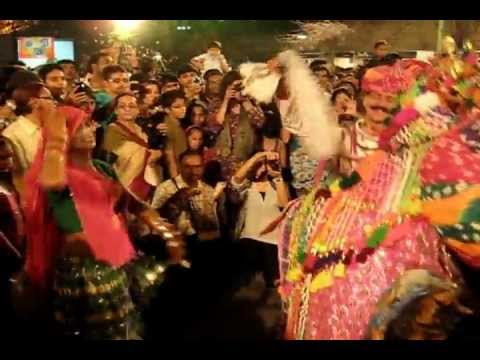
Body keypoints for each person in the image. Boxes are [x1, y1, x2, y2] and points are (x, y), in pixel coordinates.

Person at [21, 105, 186, 339]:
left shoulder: (103, 168)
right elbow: (72, 227)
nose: (90, 130)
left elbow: (136, 205)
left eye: (89, 124)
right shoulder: (59, 180)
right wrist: (56, 136)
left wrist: (166, 232)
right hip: (90, 275)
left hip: (119, 260)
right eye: (80, 128)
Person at [230, 151, 289, 294]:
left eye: (266, 165)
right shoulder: (247, 187)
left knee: (273, 285)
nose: (263, 168)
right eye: (259, 165)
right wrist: (258, 156)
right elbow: (236, 179)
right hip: (249, 238)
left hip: (272, 240)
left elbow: (284, 205)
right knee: (245, 282)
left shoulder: (276, 185)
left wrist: (278, 178)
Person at [102, 93, 164, 202]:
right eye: (122, 106)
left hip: (145, 179)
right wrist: (151, 153)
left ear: (138, 110)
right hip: (124, 180)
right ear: (116, 110)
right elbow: (124, 153)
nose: (127, 109)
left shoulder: (141, 130)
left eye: (131, 106)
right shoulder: (112, 130)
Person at [2, 82, 57, 198]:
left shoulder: (52, 129)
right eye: (49, 99)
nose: (55, 103)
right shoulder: (12, 135)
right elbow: (18, 180)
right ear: (34, 102)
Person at [214, 70, 265, 179]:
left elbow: (259, 122)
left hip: (245, 158)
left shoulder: (251, 102)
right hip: (222, 159)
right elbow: (217, 124)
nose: (238, 90)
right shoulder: (218, 102)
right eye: (234, 87)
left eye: (240, 86)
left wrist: (245, 101)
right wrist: (226, 100)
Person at [162, 90, 188, 166]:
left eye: (184, 105)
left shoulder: (178, 124)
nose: (183, 109)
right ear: (167, 109)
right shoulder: (167, 127)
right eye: (177, 107)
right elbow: (170, 157)